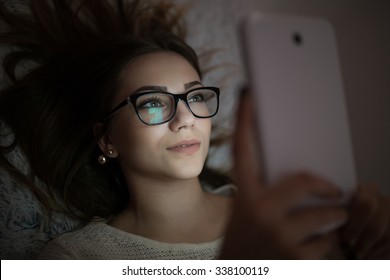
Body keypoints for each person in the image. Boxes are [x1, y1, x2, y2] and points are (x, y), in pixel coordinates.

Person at [0, 0, 389, 260]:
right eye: (152, 102)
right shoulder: (75, 259)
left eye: (196, 96)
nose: (184, 118)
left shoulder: (278, 215)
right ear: (108, 139)